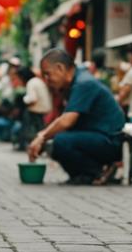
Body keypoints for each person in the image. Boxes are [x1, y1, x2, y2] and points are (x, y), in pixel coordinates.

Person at [28, 48, 126, 185]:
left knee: (61, 141)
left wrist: (42, 136)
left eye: (47, 74)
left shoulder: (84, 83)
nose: (46, 80)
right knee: (55, 141)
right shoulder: (74, 83)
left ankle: (98, 171)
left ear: (60, 68)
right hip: (96, 136)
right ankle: (84, 175)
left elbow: (66, 121)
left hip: (109, 140)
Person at [19, 66, 51, 151]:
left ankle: (26, 143)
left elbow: (32, 99)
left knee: (28, 121)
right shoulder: (38, 81)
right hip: (45, 109)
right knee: (40, 128)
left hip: (38, 110)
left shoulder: (31, 82)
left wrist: (24, 99)